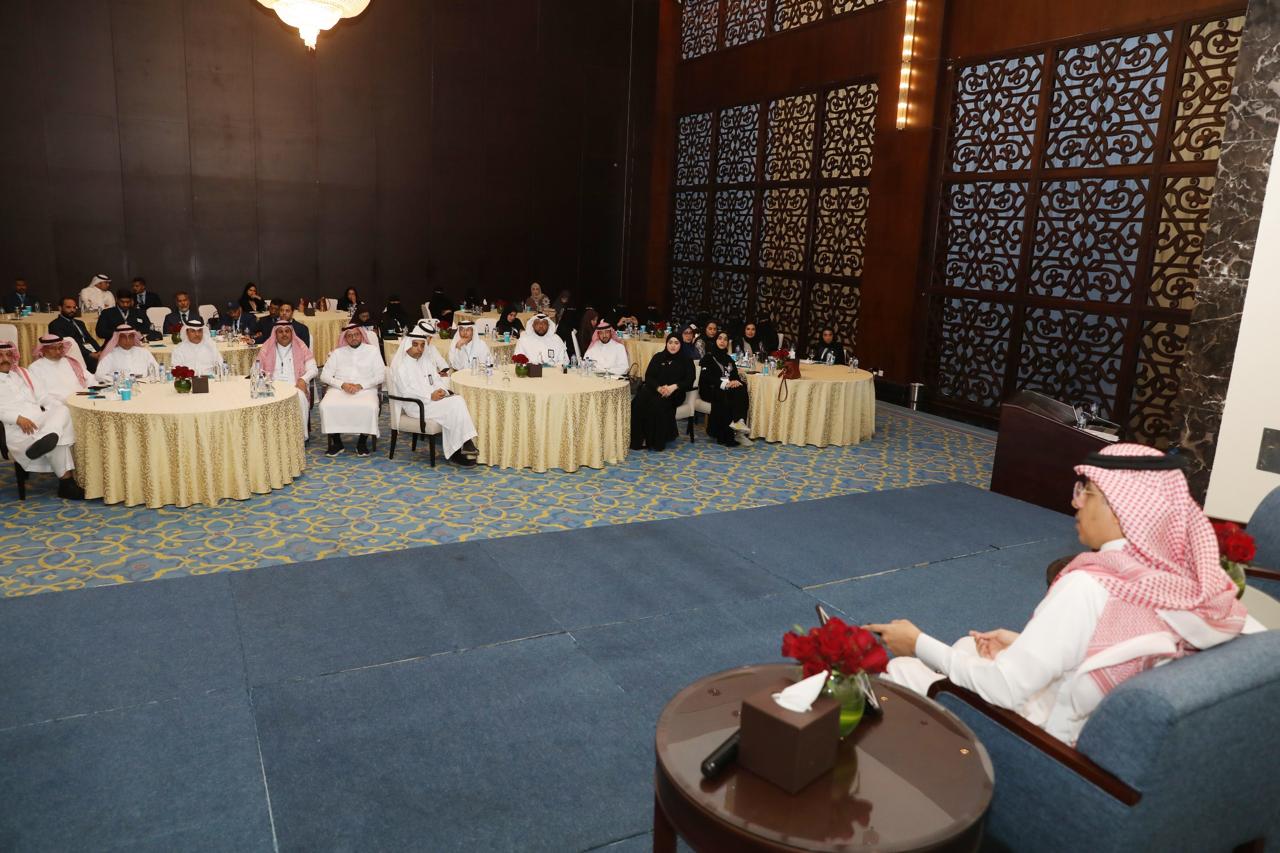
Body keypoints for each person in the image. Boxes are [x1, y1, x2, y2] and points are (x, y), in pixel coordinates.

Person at [868, 444, 1263, 747]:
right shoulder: (1185, 582)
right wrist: (1023, 644)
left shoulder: (1091, 585)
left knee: (903, 671)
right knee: (966, 648)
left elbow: (1005, 689)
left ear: (1119, 507)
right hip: (1114, 723)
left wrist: (917, 643)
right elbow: (1120, 645)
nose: (1075, 502)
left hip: (1051, 743)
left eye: (1086, 491)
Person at [0, 342, 83, 499]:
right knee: (58, 435)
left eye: (8, 354)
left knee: (63, 410)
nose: (5, 359)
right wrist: (17, 418)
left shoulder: (22, 373)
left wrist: (56, 408)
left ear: (13, 357)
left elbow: (43, 397)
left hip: (39, 418)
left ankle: (47, 436)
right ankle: (66, 484)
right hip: (16, 427)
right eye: (0, 355)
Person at [390, 329, 480, 467]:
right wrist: (429, 396)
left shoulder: (425, 361)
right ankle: (464, 445)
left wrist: (442, 391)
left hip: (432, 402)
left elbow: (437, 380)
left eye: (422, 345)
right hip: (416, 406)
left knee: (457, 402)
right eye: (415, 345)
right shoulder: (401, 366)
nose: (419, 349)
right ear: (407, 345)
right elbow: (406, 392)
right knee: (456, 404)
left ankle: (459, 449)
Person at [319, 324, 383, 457]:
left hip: (365, 388)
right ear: (345, 338)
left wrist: (361, 385)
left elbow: (381, 376)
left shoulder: (373, 351)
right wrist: (342, 385)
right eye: (349, 335)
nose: (353, 338)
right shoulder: (337, 353)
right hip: (339, 389)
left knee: (370, 407)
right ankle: (337, 443)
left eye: (356, 334)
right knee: (325, 406)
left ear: (361, 335)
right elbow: (324, 376)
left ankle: (362, 442)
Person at [631, 333, 695, 452]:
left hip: (676, 393)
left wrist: (673, 387)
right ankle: (638, 438)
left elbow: (689, 380)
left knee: (657, 403)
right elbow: (649, 376)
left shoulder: (686, 360)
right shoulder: (658, 357)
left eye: (676, 343)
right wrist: (659, 388)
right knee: (639, 400)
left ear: (681, 344)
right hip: (657, 389)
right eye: (670, 342)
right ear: (666, 344)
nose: (673, 346)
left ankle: (655, 441)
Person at [256, 320, 317, 438]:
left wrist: (303, 379)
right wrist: (264, 380)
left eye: (287, 331)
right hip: (272, 385)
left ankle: (300, 437)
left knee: (300, 397)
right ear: (275, 334)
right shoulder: (267, 348)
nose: (284, 334)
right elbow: (256, 368)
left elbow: (313, 369)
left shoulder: (301, 347)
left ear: (291, 333)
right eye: (280, 331)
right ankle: (271, 437)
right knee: (262, 397)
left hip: (295, 385)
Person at [698, 331, 751, 447]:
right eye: (720, 338)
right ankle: (727, 434)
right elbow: (706, 377)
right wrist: (724, 384)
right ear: (715, 341)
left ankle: (739, 423)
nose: (722, 341)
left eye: (725, 339)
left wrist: (735, 381)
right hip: (710, 388)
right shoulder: (708, 357)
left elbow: (734, 375)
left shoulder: (729, 359)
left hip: (726, 388)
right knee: (725, 394)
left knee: (741, 387)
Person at [27, 335, 89, 401]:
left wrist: (92, 396)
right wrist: (61, 405)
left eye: (60, 347)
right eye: (53, 348)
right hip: (59, 405)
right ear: (43, 349)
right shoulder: (35, 368)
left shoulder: (71, 362)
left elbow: (90, 380)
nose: (58, 352)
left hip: (84, 399)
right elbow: (41, 396)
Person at [48, 297, 102, 371]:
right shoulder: (55, 325)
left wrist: (99, 351)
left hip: (89, 351)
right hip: (74, 356)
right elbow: (67, 345)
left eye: (74, 307)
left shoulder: (80, 323)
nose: (72, 310)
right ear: (60, 308)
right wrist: (90, 354)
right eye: (68, 307)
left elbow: (90, 339)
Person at [95, 324, 159, 382]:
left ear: (134, 337)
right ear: (117, 339)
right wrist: (118, 379)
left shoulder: (144, 352)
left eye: (130, 337)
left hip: (145, 385)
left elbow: (156, 369)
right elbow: (99, 375)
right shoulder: (110, 355)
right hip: (120, 387)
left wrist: (147, 380)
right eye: (123, 337)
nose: (128, 340)